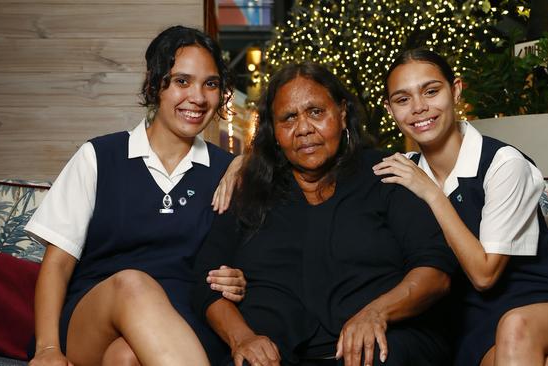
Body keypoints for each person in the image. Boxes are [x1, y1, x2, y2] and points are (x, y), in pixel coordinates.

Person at [192, 62, 460, 366]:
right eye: (289, 118)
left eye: (316, 112)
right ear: (275, 131)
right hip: (273, 353)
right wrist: (242, 338)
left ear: (342, 113)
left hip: (381, 347)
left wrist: (376, 312)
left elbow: (435, 271)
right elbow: (206, 281)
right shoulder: (250, 189)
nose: (304, 128)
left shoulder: (387, 173)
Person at [372, 48, 548, 366]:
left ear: (456, 90)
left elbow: (484, 275)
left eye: (431, 91)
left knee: (516, 327)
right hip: (475, 326)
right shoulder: (400, 172)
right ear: (390, 110)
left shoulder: (503, 163)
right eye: (403, 100)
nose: (419, 108)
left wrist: (432, 193)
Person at [26, 25, 247, 366]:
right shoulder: (98, 157)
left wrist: (239, 277)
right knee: (133, 284)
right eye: (182, 81)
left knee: (125, 357)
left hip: (185, 325)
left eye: (211, 84)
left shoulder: (228, 171)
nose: (199, 97)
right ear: (154, 84)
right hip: (93, 318)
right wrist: (47, 349)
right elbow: (57, 265)